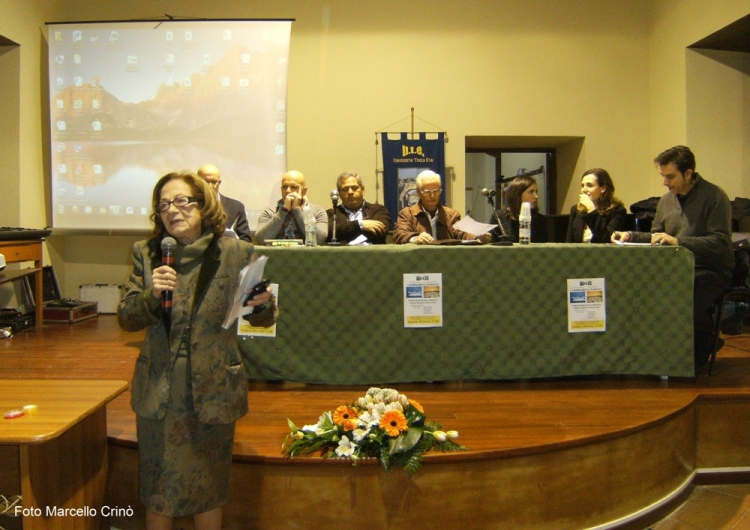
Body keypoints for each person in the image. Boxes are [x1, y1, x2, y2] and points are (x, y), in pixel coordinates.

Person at [117, 171, 277, 530]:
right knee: (158, 488)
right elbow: (127, 317)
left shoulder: (236, 252)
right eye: (162, 206)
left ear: (203, 205)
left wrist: (263, 304)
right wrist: (150, 296)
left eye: (181, 201)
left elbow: (263, 317)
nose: (171, 211)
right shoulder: (147, 254)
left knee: (209, 487)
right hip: (160, 388)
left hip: (214, 388)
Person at [611, 146, 733, 367]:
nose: (665, 183)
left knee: (685, 298)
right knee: (639, 293)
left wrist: (679, 241)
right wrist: (630, 235)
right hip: (676, 270)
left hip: (709, 270)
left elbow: (721, 242)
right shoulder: (666, 201)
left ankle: (694, 355)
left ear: (688, 173)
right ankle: (667, 354)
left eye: (670, 177)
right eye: (663, 176)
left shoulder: (715, 197)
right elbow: (657, 236)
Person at [393, 170, 490, 244]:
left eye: (436, 191)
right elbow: (400, 233)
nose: (432, 196)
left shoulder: (451, 215)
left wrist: (477, 237)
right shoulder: (407, 214)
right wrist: (415, 238)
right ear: (418, 192)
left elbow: (461, 232)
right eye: (427, 192)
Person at [254, 170, 327, 245]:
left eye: (294, 187)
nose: (288, 191)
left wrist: (297, 210)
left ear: (304, 191)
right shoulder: (269, 211)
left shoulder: (317, 211)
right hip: (275, 256)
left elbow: (319, 240)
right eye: (285, 187)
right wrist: (283, 211)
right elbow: (261, 239)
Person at [327, 171, 392, 245]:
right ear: (339, 194)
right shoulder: (332, 213)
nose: (350, 192)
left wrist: (347, 238)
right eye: (345, 189)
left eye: (354, 188)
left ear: (363, 190)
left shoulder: (378, 210)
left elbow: (380, 231)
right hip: (342, 256)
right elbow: (330, 233)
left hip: (373, 254)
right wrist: (360, 225)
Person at [566, 168, 627, 243]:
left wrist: (592, 210)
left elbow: (605, 239)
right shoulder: (575, 209)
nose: (584, 190)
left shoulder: (617, 211)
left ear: (603, 188)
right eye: (582, 185)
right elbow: (569, 242)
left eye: (589, 185)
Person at [196, 163, 252, 243]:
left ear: (219, 183)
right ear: (197, 182)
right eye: (206, 182)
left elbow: (246, 242)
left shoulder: (236, 207)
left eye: (214, 182)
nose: (210, 186)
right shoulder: (188, 205)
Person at [489, 175, 548, 243]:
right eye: (531, 192)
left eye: (536, 192)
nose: (536, 196)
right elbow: (491, 244)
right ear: (518, 194)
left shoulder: (540, 220)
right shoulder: (499, 216)